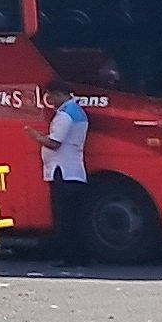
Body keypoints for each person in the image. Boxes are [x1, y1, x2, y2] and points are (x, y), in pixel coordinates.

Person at [44, 84, 95, 267]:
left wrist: (35, 137)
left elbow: (54, 142)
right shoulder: (77, 111)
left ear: (59, 94)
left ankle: (70, 257)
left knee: (65, 217)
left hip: (62, 171)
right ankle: (81, 256)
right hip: (74, 170)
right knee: (75, 216)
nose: (50, 100)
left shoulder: (66, 114)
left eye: (51, 96)